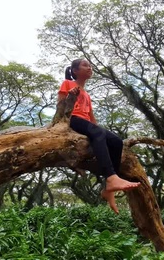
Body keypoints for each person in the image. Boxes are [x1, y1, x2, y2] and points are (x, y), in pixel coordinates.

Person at [58, 58, 140, 214]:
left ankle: (108, 187)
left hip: (86, 124)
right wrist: (70, 97)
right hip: (72, 120)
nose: (90, 68)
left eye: (90, 66)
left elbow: (91, 117)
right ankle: (110, 177)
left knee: (116, 141)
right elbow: (60, 107)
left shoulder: (87, 95)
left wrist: (98, 130)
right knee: (98, 133)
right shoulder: (67, 84)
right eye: (85, 65)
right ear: (75, 71)